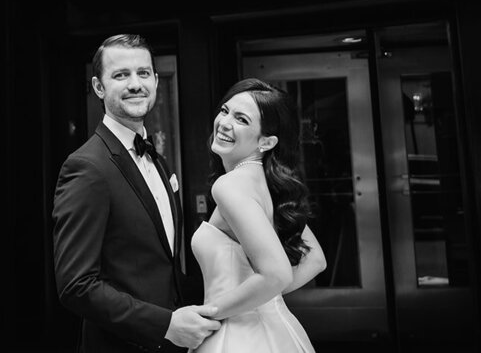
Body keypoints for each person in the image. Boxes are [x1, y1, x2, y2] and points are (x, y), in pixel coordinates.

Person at [53, 34, 222, 352]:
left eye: (143, 73)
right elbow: (76, 286)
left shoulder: (157, 160)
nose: (135, 84)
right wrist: (166, 325)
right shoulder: (87, 167)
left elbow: (160, 266)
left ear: (156, 81)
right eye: (120, 75)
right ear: (98, 87)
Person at [190, 78, 327, 352]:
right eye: (225, 111)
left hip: (237, 337)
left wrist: (210, 312)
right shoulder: (267, 185)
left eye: (241, 119)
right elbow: (315, 260)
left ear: (266, 141)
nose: (225, 123)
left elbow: (276, 274)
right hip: (276, 330)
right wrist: (264, 299)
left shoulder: (229, 186)